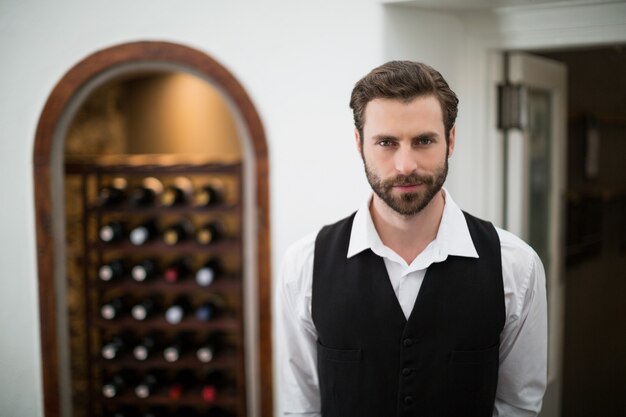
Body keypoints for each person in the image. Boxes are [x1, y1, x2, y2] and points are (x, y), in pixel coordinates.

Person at [277, 61, 547, 417]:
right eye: (386, 142)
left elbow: (518, 406)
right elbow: (301, 408)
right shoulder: (303, 265)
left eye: (423, 141)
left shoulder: (516, 266)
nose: (405, 164)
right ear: (360, 144)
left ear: (450, 141)